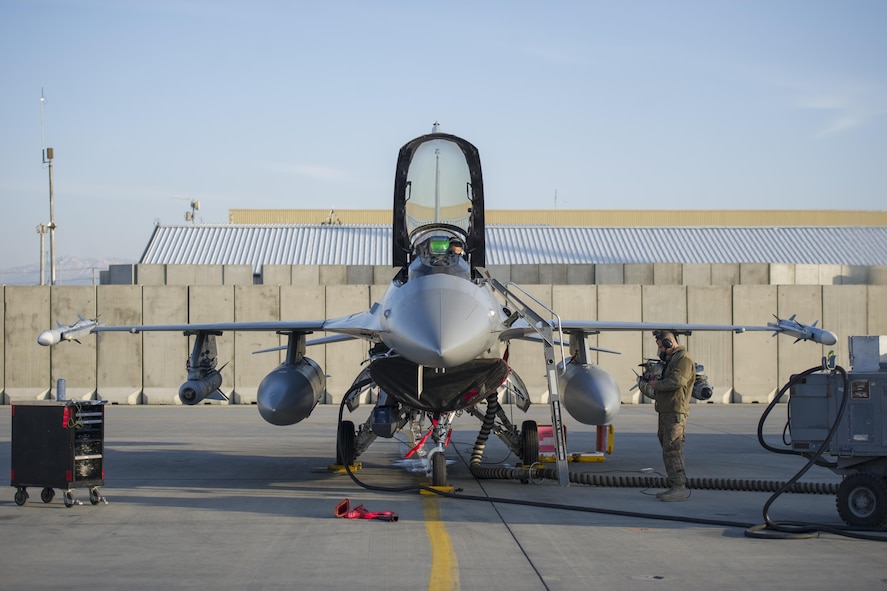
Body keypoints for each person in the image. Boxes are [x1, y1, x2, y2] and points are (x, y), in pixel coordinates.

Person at [639, 330, 695, 502]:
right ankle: (674, 485)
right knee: (667, 446)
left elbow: (678, 381)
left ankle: (679, 488)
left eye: (662, 346)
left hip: (675, 410)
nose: (660, 350)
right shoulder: (673, 360)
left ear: (670, 343)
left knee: (673, 448)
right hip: (666, 409)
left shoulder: (683, 359)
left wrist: (657, 384)